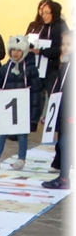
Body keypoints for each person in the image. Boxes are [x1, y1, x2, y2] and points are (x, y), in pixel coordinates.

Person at [0, 35, 38, 171]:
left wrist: (34, 115)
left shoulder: (30, 69)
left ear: (24, 51)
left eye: (19, 50)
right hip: (7, 107)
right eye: (13, 50)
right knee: (2, 133)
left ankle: (21, 159)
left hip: (23, 107)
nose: (16, 53)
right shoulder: (5, 69)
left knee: (22, 134)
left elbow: (36, 92)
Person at [26, 0, 67, 132]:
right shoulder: (40, 25)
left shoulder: (60, 26)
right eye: (42, 12)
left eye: (47, 13)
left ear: (54, 13)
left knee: (54, 95)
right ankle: (32, 122)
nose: (44, 15)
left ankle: (56, 124)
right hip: (38, 66)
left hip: (53, 67)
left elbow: (59, 48)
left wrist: (41, 51)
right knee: (36, 95)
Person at [42, 31, 71, 190]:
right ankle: (62, 175)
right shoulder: (65, 64)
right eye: (63, 44)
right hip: (62, 110)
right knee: (62, 143)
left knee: (66, 144)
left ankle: (64, 178)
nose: (65, 47)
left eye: (69, 44)